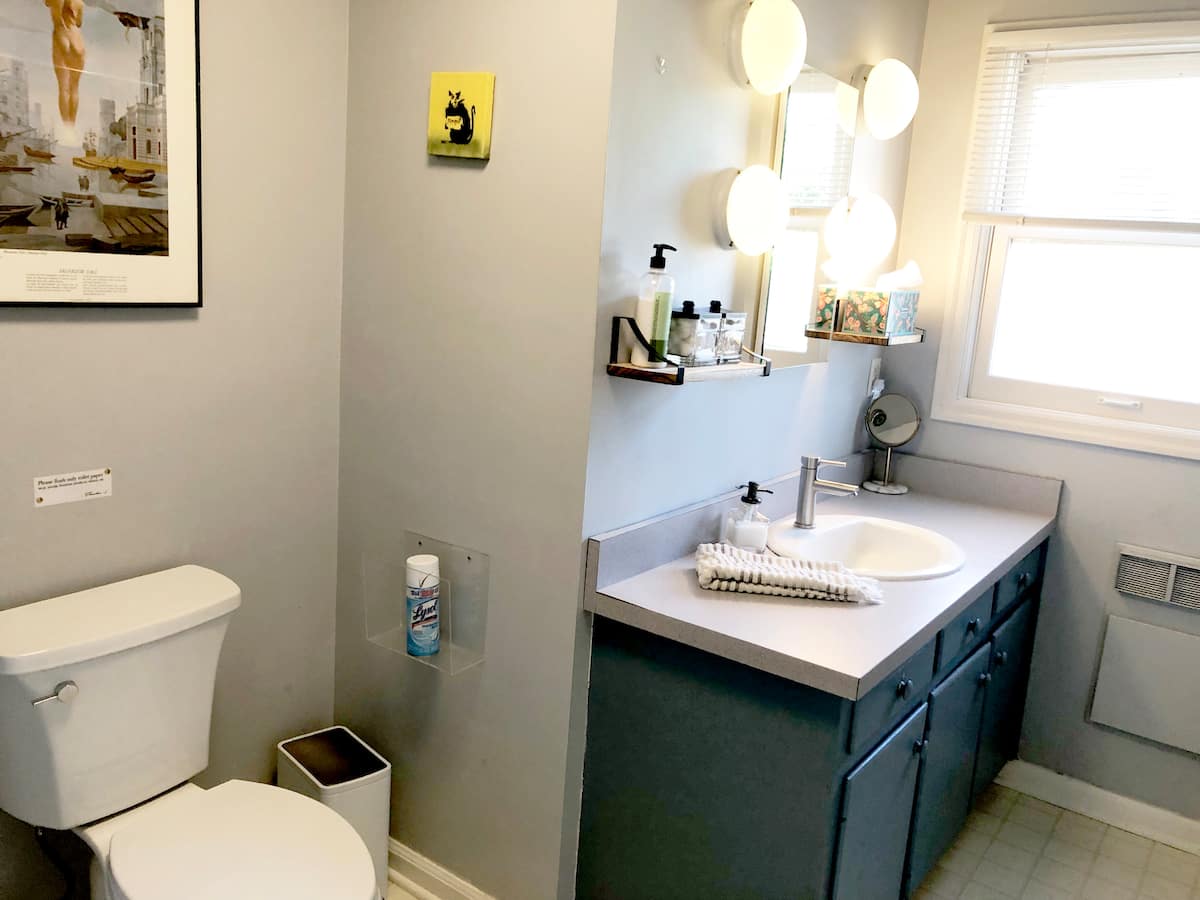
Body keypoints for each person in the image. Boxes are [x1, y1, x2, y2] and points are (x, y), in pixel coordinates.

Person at [46, 0, 86, 130]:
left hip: (61, 34)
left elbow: (55, 16)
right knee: (74, 87)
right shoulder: (79, 2)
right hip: (76, 37)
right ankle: (72, 126)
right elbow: (79, 23)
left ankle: (66, 129)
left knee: (63, 87)